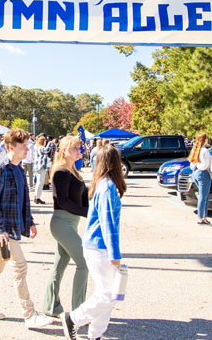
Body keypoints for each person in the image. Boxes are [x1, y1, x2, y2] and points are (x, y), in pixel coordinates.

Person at [0, 128, 54, 329]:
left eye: (28, 145)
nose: (28, 149)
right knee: (20, 267)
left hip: (11, 226)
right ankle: (29, 314)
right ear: (11, 147)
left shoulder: (18, 169)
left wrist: (30, 222)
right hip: (2, 228)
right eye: (23, 146)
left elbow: (23, 200)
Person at [61, 144, 126, 340]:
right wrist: (115, 254)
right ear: (115, 163)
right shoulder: (107, 187)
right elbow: (108, 224)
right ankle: (74, 319)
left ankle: (95, 333)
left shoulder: (102, 184)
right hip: (99, 247)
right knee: (108, 294)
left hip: (96, 246)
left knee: (107, 293)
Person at [43, 135, 89, 319]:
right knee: (84, 262)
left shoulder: (75, 172)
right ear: (64, 150)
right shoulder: (61, 172)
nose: (78, 151)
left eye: (79, 148)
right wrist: (89, 213)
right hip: (62, 222)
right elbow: (62, 201)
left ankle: (51, 306)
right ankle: (79, 311)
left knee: (59, 265)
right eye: (74, 148)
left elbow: (82, 198)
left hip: (71, 222)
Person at [188, 132, 212, 225]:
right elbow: (206, 164)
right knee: (204, 196)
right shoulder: (204, 151)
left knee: (203, 195)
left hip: (196, 172)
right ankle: (201, 217)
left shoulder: (195, 149)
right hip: (203, 173)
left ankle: (203, 216)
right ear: (204, 139)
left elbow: (192, 164)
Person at [33, 135, 50, 204]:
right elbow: (47, 150)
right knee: (40, 183)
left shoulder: (37, 147)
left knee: (39, 183)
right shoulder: (40, 148)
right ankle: (37, 197)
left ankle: (37, 197)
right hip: (41, 166)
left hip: (38, 166)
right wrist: (49, 144)